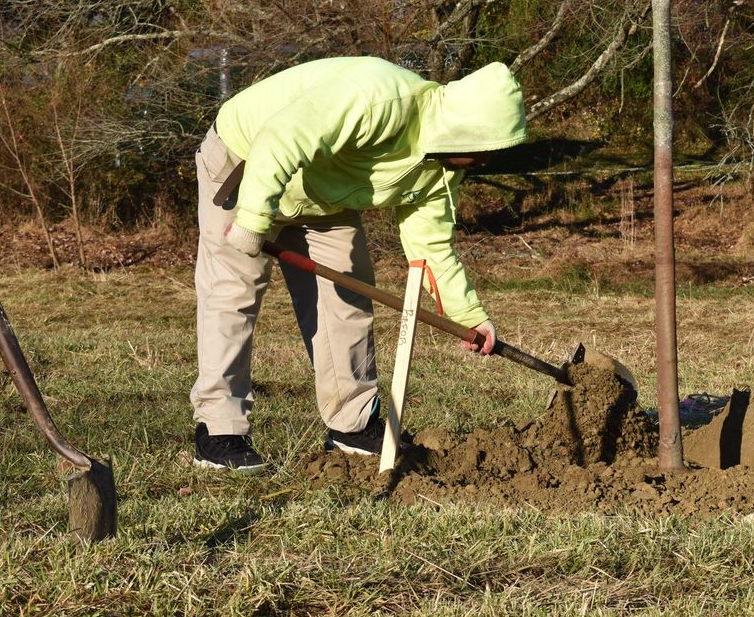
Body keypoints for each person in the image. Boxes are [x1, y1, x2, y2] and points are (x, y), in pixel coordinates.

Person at [190, 57, 527, 472]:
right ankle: (219, 432)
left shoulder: (441, 168)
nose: (489, 161)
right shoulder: (378, 97)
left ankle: (351, 425)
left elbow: (431, 247)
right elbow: (281, 140)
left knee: (347, 291)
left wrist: (469, 315)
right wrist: (254, 220)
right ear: (467, 131)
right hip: (244, 162)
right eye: (489, 149)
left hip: (320, 194)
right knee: (233, 292)